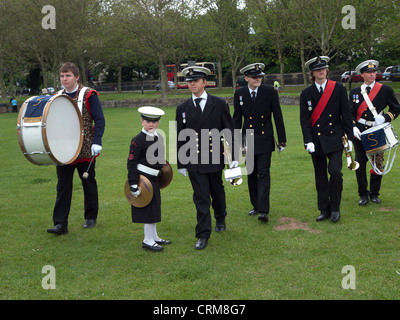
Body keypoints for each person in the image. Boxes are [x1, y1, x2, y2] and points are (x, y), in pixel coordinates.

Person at [176, 66, 236, 250]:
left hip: (215, 156)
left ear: (205, 82)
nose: (192, 84)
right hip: (194, 158)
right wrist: (181, 162)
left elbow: (229, 131)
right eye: (189, 81)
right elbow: (180, 135)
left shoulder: (219, 104)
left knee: (217, 192)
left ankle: (220, 217)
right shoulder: (183, 108)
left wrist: (232, 156)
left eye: (195, 80)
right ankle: (203, 234)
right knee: (201, 197)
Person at [47, 62, 105, 235]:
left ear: (77, 77)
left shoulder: (89, 95)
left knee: (88, 183)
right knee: (63, 186)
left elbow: (99, 119)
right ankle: (60, 224)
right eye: (62, 76)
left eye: (68, 75)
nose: (65, 79)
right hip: (63, 149)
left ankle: (90, 217)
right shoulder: (56, 96)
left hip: (86, 147)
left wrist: (97, 140)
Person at [299, 56, 355, 223]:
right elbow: (304, 120)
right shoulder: (306, 93)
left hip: (335, 138)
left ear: (327, 70)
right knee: (320, 176)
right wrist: (307, 141)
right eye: (317, 69)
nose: (321, 71)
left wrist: (349, 137)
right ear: (312, 73)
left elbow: (346, 114)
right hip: (316, 141)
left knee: (336, 173)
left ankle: (335, 207)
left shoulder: (338, 88)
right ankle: (324, 209)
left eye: (323, 68)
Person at [233, 63, 286, 222]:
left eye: (260, 76)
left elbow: (277, 116)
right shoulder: (240, 93)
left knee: (263, 173)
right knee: (251, 174)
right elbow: (237, 119)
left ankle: (263, 210)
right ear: (246, 78)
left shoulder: (270, 91)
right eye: (254, 77)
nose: (258, 79)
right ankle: (256, 205)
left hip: (264, 138)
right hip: (247, 139)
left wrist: (282, 140)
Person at [349, 60, 400, 205]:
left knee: (377, 163)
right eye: (369, 72)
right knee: (360, 163)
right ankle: (363, 194)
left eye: (374, 72)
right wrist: (353, 126)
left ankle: (374, 193)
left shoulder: (385, 90)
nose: (372, 74)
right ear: (362, 74)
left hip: (377, 131)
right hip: (360, 132)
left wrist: (384, 118)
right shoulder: (354, 92)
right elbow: (350, 112)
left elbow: (396, 109)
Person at [127, 106, 171, 252]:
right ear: (142, 121)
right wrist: (133, 184)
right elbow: (131, 162)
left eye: (154, 121)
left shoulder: (158, 137)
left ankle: (155, 237)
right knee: (147, 210)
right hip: (143, 180)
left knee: (154, 208)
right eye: (147, 121)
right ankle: (147, 240)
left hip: (154, 179)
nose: (151, 124)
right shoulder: (137, 140)